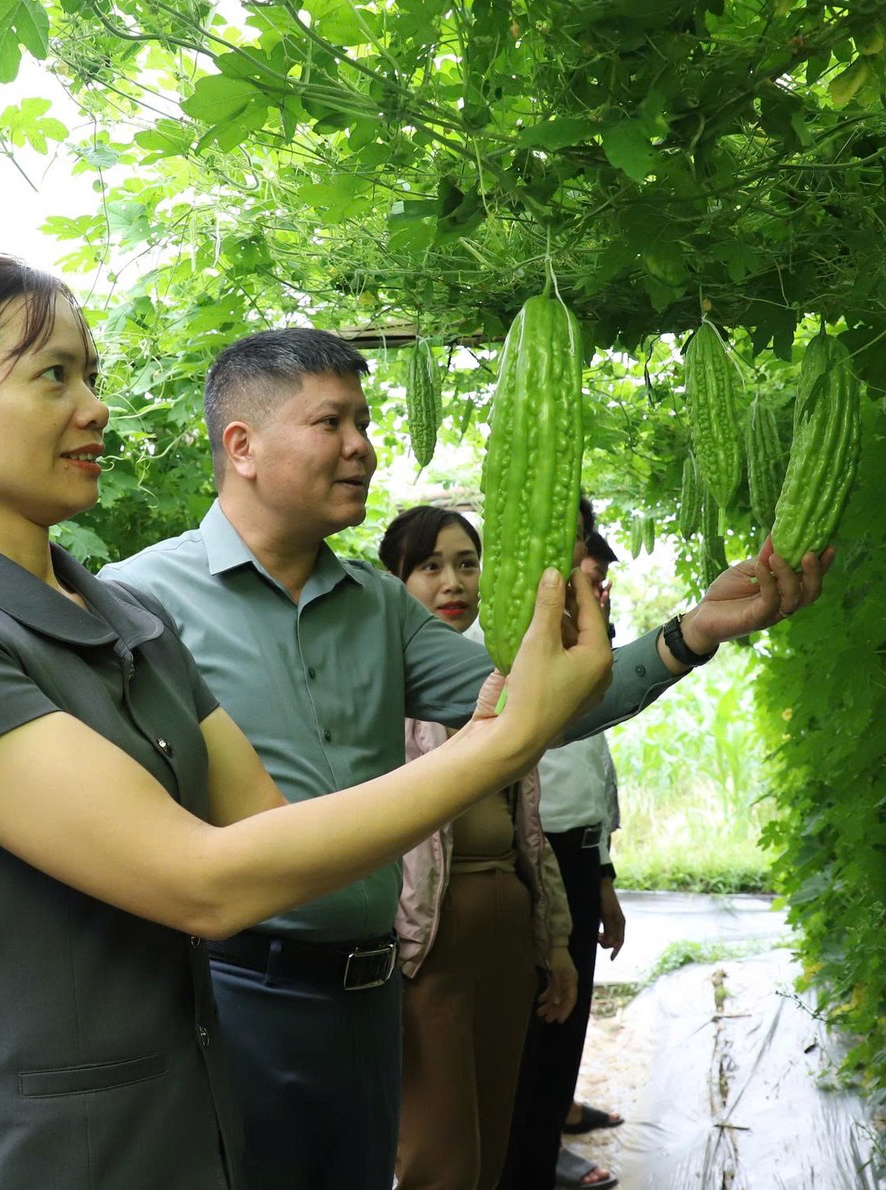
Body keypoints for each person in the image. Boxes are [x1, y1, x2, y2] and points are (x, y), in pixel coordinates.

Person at [0, 257, 615, 1190]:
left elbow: (275, 839)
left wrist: (513, 702)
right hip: (21, 1157)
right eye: (53, 376)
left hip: (192, 1131)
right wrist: (506, 740)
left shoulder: (127, 623)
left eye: (92, 376)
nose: (95, 407)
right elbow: (206, 884)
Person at [101, 328, 834, 1190]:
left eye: (364, 423)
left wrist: (692, 634)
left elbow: (533, 711)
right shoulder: (140, 598)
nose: (363, 448)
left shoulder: (376, 605)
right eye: (331, 423)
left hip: (372, 992)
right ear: (242, 447)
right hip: (234, 991)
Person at [382, 506, 577, 1190]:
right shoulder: (385, 689)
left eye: (466, 563)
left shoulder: (502, 685)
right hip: (426, 945)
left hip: (503, 934)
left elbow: (530, 832)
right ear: (393, 584)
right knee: (437, 1157)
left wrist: (552, 940)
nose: (452, 581)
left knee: (496, 1134)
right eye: (429, 566)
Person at [503, 506, 630, 1190]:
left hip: (577, 848)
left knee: (566, 1007)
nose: (596, 572)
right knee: (543, 1012)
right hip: (535, 849)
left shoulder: (579, 648)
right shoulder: (512, 638)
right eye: (588, 556)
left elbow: (592, 771)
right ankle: (538, 1148)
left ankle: (554, 1122)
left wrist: (603, 872)